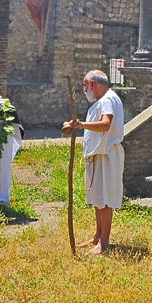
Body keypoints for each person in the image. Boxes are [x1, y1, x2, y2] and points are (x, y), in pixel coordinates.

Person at [62, 70, 124, 255]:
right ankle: (98, 236)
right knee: (98, 197)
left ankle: (104, 243)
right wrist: (75, 126)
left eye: (85, 85)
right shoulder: (105, 100)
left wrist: (80, 125)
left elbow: (106, 124)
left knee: (104, 199)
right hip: (99, 154)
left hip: (106, 154)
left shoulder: (107, 100)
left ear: (94, 84)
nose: (84, 89)